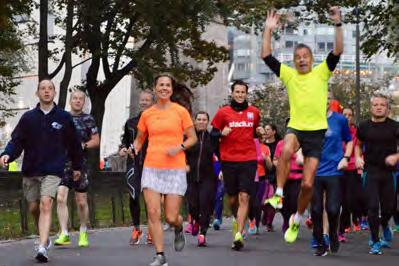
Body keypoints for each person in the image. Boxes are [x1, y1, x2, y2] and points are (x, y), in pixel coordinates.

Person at [261, 6, 343, 243]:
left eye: (305, 57)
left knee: (307, 185)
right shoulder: (288, 74)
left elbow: (338, 50)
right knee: (286, 150)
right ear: (294, 61)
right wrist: (268, 30)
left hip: (316, 133)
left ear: (312, 59)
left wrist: (338, 23)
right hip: (296, 127)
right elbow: (266, 55)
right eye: (297, 57)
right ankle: (278, 194)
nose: (301, 60)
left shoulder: (322, 72)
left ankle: (296, 218)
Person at [0, 79, 83, 262]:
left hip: (53, 169)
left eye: (50, 89)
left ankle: (42, 247)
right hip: (31, 169)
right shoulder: (28, 118)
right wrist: (7, 154)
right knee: (34, 207)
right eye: (43, 89)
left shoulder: (63, 117)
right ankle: (43, 235)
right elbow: (17, 141)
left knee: (46, 203)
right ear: (37, 93)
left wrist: (77, 166)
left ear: (54, 93)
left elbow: (74, 144)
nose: (46, 91)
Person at [133, 74, 197, 266]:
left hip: (174, 169)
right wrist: (131, 148)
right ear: (155, 89)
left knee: (170, 217)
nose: (164, 88)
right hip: (151, 167)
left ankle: (178, 226)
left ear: (171, 89)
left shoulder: (180, 112)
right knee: (153, 213)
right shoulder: (147, 114)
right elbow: (139, 139)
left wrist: (180, 147)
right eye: (160, 85)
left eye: (167, 85)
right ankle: (160, 255)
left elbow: (192, 138)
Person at [211, 80, 260, 250]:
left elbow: (254, 131)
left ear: (247, 94)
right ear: (232, 93)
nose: (240, 95)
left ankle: (239, 234)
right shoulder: (223, 113)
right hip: (229, 160)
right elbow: (212, 134)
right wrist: (221, 133)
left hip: (248, 159)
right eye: (237, 92)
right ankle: (236, 218)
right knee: (232, 199)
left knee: (244, 197)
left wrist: (259, 132)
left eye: (243, 92)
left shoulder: (254, 112)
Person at [54, 90, 100, 248]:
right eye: (75, 98)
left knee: (81, 201)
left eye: (81, 99)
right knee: (60, 197)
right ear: (70, 101)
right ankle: (64, 232)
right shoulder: (62, 117)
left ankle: (82, 229)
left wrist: (83, 145)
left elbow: (96, 140)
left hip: (80, 163)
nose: (78, 101)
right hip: (62, 163)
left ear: (84, 102)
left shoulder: (88, 119)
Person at [355, 94, 399, 255]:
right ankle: (375, 241)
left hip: (389, 173)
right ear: (371, 107)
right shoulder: (364, 126)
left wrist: (396, 156)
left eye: (382, 105)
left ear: (387, 109)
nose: (379, 107)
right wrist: (358, 157)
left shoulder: (395, 126)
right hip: (370, 172)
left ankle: (385, 224)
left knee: (388, 208)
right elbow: (358, 145)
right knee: (372, 208)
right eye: (376, 105)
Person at [311, 92, 353, 256]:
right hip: (314, 170)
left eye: (328, 98)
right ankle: (321, 241)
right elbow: (300, 139)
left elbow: (349, 140)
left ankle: (334, 234)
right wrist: (300, 153)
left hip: (334, 170)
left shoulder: (339, 119)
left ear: (331, 101)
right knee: (315, 210)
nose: (325, 101)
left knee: (333, 209)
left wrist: (346, 158)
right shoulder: (309, 119)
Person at [119, 89, 154, 245]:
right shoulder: (131, 123)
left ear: (153, 102)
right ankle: (136, 228)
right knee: (134, 196)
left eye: (147, 100)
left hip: (152, 164)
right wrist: (123, 149)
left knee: (150, 200)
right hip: (134, 164)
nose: (144, 103)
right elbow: (125, 142)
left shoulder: (157, 122)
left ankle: (152, 230)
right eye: (142, 100)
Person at [185, 111, 218, 246]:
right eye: (199, 119)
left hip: (208, 177)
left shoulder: (213, 139)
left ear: (208, 122)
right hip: (191, 176)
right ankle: (196, 221)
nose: (201, 122)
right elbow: (181, 153)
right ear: (195, 121)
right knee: (193, 205)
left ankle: (202, 233)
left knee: (205, 204)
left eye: (204, 119)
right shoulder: (188, 137)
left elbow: (220, 155)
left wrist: (220, 170)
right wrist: (184, 164)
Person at [338, 107, 366, 242]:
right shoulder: (336, 132)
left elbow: (358, 149)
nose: (347, 117)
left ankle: (346, 226)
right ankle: (340, 227)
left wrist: (359, 161)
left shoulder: (356, 133)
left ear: (353, 117)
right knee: (338, 200)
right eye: (345, 115)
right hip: (337, 169)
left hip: (352, 170)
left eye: (350, 115)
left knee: (350, 200)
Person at [273, 118, 304, 234]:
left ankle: (293, 218)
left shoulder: (303, 144)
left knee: (295, 200)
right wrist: (280, 165)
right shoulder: (281, 144)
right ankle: (286, 219)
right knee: (283, 203)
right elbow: (275, 159)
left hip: (298, 177)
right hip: (284, 178)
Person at [248, 127, 272, 234]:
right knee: (250, 201)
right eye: (259, 134)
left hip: (261, 177)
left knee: (257, 203)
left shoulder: (266, 148)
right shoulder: (248, 146)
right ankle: (251, 220)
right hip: (249, 177)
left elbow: (270, 167)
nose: (261, 136)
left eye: (262, 134)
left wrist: (266, 159)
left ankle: (255, 224)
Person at [262, 123, 280, 231]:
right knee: (263, 199)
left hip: (276, 175)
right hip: (263, 175)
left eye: (268, 129)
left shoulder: (278, 144)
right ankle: (265, 213)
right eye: (265, 129)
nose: (266, 131)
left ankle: (269, 222)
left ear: (274, 132)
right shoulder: (262, 145)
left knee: (273, 199)